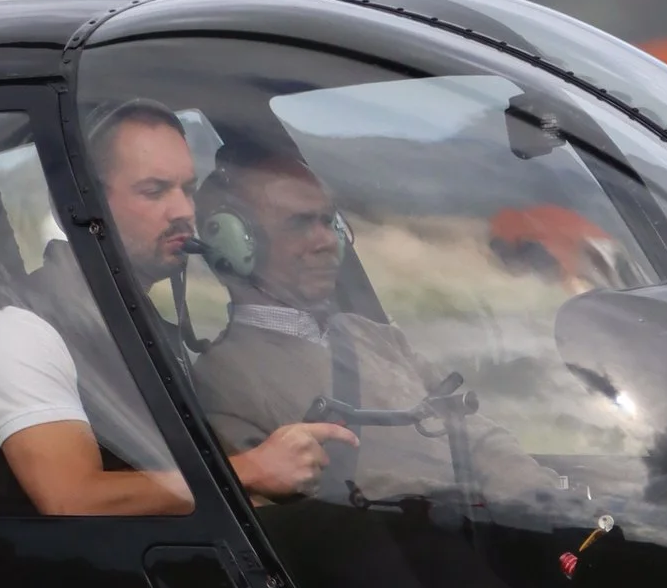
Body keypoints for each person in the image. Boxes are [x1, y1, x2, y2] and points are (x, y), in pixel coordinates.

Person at [0, 102, 349, 517]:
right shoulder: (20, 332)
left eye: (188, 190)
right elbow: (72, 499)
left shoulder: (146, 329)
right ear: (82, 204)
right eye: (154, 191)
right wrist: (252, 470)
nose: (183, 211)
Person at [196, 124, 546, 510]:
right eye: (299, 224)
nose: (327, 242)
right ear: (231, 245)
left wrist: (543, 500)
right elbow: (299, 511)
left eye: (329, 222)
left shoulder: (377, 337)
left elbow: (478, 436)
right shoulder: (224, 377)